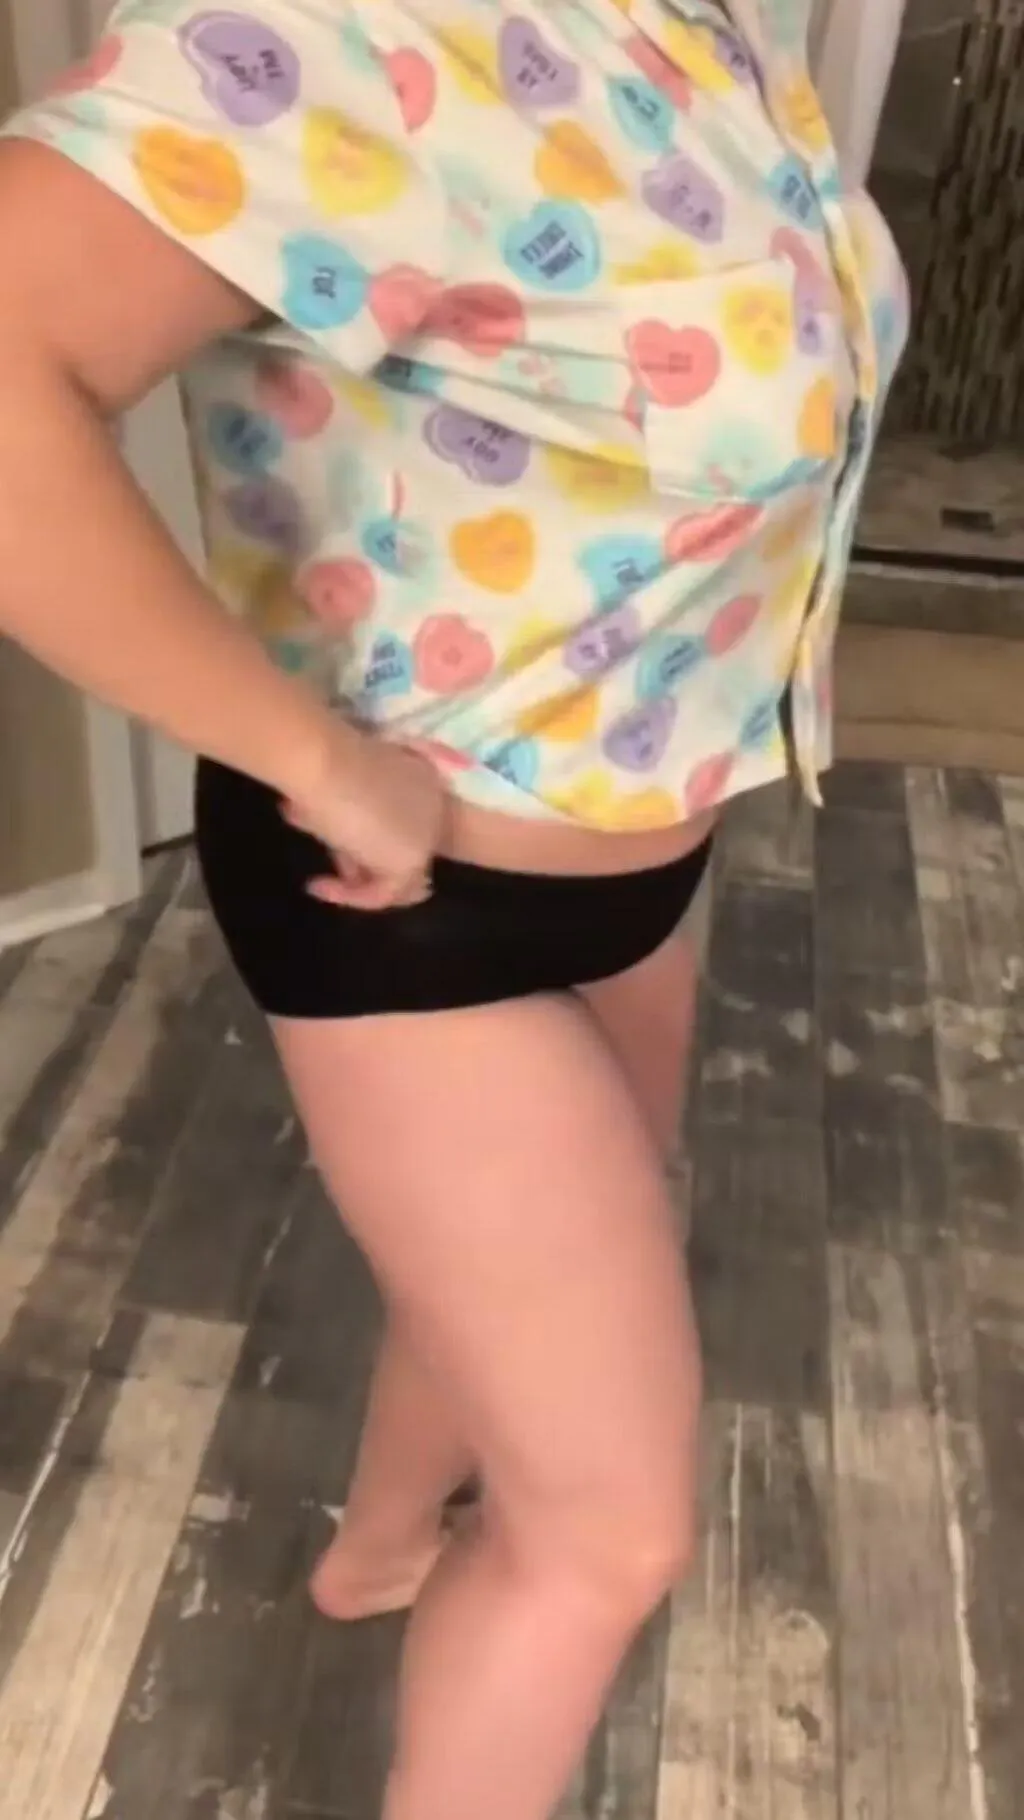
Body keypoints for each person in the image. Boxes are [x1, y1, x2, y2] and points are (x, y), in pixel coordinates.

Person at [0, 2, 906, 1815]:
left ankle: (381, 1547)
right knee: (607, 1534)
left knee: (515, 1280)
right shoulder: (327, 28)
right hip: (406, 900)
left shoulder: (704, 25)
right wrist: (307, 757)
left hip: (629, 841)